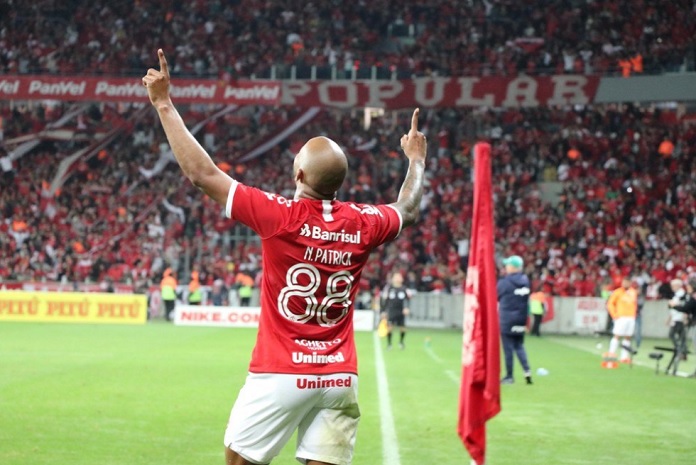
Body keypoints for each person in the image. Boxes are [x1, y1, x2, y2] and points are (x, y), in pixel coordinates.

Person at [142, 49, 427, 465]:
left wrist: (164, 103)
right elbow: (409, 209)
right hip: (339, 375)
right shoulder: (365, 222)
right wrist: (416, 160)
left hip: (280, 371)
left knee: (239, 461)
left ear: (298, 176)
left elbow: (202, 175)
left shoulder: (280, 217)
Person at [497, 255, 533, 385]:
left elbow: (497, 295)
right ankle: (527, 371)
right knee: (519, 345)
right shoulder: (525, 281)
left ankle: (509, 376)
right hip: (521, 318)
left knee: (508, 348)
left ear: (513, 267)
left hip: (507, 318)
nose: (506, 267)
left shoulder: (505, 282)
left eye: (508, 265)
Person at [606, 277, 638, 363]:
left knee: (627, 337)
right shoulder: (617, 292)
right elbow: (610, 304)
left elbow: (634, 304)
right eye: (624, 282)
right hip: (621, 317)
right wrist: (614, 315)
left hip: (631, 317)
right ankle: (611, 353)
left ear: (630, 283)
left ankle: (624, 357)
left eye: (627, 282)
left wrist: (634, 314)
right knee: (617, 335)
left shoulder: (633, 292)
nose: (625, 284)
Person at [380, 271, 411, 350]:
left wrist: (407, 308)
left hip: (401, 311)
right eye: (396, 277)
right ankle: (389, 344)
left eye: (399, 277)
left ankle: (401, 342)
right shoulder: (389, 288)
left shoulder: (404, 289)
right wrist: (383, 311)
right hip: (391, 311)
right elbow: (384, 300)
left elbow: (408, 300)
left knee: (402, 328)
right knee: (390, 327)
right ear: (393, 279)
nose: (398, 279)